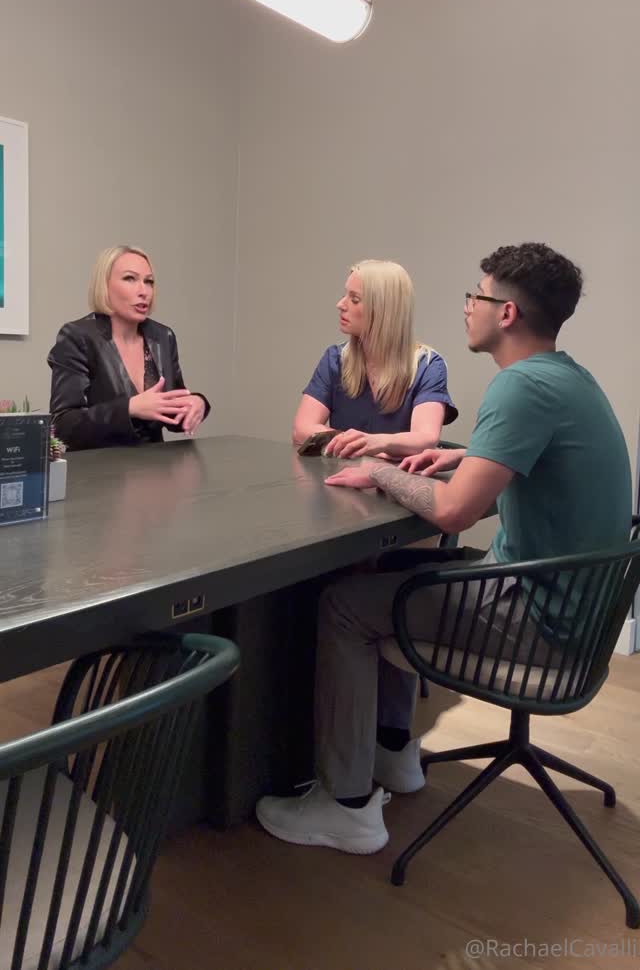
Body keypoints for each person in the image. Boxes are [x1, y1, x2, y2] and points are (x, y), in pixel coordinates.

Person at [257, 242, 632, 854]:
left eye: (475, 296)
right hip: (575, 609)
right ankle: (394, 753)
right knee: (396, 569)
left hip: (540, 618)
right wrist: (459, 458)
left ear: (506, 313)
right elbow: (506, 479)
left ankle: (346, 807)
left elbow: (456, 510)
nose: (466, 307)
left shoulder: (521, 387)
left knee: (346, 605)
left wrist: (380, 470)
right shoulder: (567, 378)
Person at [48, 245, 210, 451]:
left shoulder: (163, 336)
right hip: (98, 468)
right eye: (130, 279)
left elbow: (172, 413)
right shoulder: (77, 337)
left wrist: (198, 403)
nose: (144, 291)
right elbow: (63, 426)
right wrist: (129, 408)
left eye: (149, 282)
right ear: (104, 286)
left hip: (155, 466)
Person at [293, 259, 457, 460]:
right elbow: (302, 429)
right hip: (343, 474)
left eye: (354, 299)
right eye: (345, 295)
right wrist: (355, 443)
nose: (340, 305)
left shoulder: (428, 365)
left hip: (394, 478)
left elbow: (425, 438)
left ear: (383, 310)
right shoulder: (335, 359)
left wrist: (372, 443)